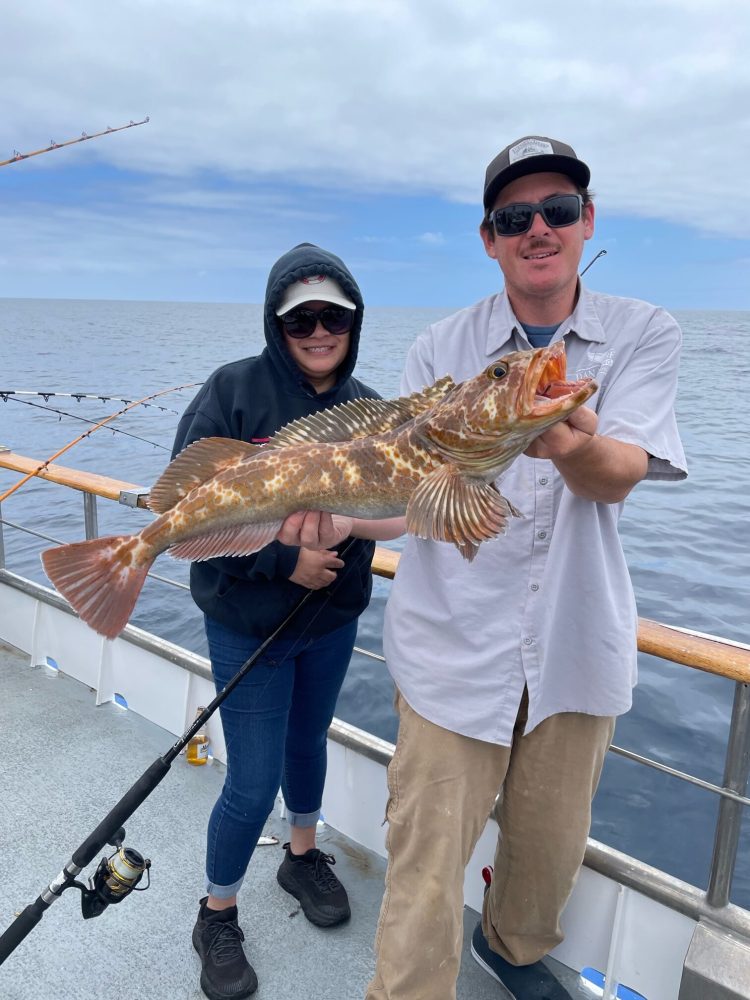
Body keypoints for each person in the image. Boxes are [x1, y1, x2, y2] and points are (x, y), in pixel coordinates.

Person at [279, 135, 687, 1000]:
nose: (537, 228)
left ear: (585, 223)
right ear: (490, 238)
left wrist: (554, 434)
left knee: (547, 850)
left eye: (557, 211)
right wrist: (337, 519)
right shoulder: (440, 346)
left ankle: (511, 947)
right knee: (425, 866)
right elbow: (423, 498)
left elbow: (617, 475)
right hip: (452, 653)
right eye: (514, 217)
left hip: (576, 647)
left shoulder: (646, 332)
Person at [172, 243, 378, 1000]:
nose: (320, 331)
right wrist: (281, 565)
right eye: (302, 320)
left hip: (330, 623)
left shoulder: (370, 409)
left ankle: (301, 855)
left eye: (336, 317)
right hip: (249, 623)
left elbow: (390, 510)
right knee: (250, 780)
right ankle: (215, 910)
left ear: (356, 322)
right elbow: (186, 519)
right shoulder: (231, 392)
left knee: (306, 746)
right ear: (276, 324)